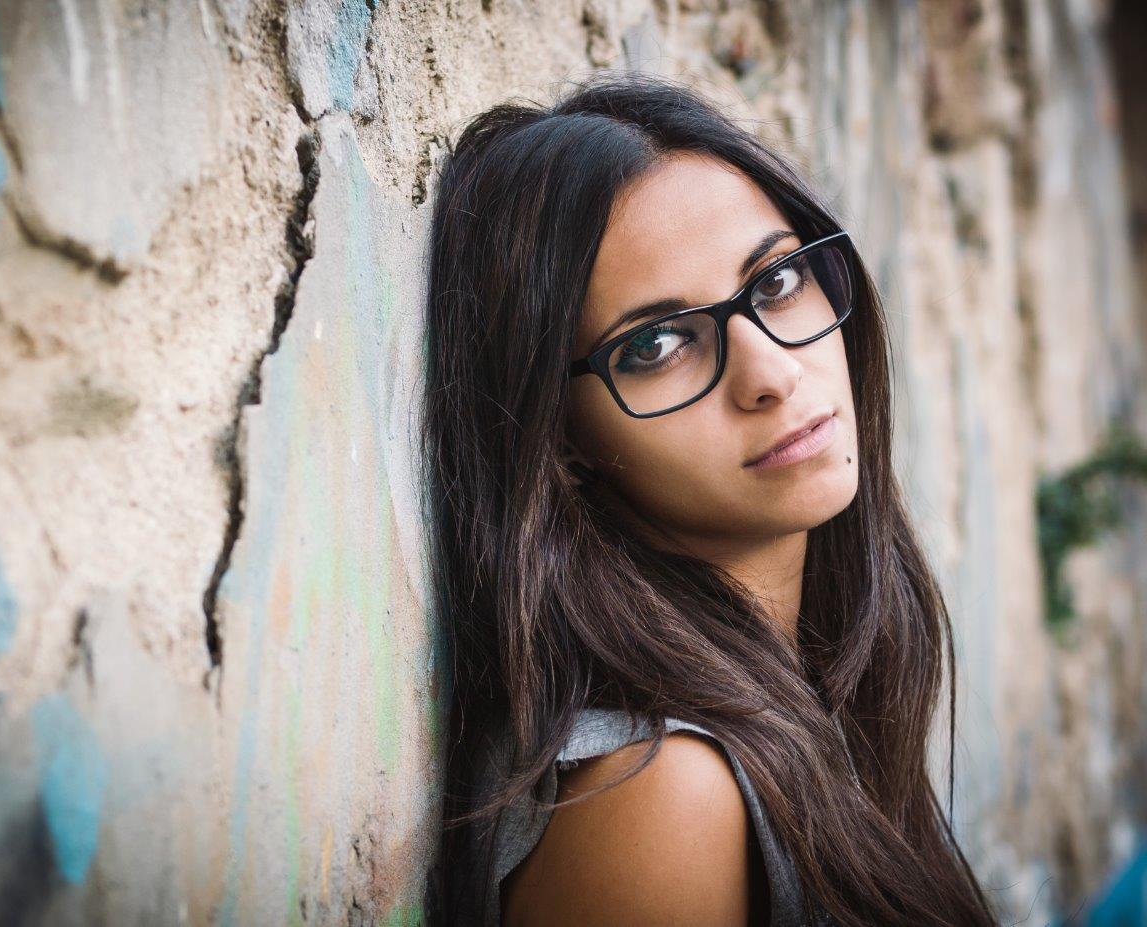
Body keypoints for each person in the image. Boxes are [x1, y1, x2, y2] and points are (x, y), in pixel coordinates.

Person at [420, 71, 999, 927]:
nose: (770, 372)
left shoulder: (805, 695)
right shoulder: (661, 798)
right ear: (563, 445)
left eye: (774, 283)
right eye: (656, 344)